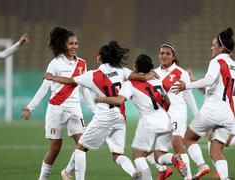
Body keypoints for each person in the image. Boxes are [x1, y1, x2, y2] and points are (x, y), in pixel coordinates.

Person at [43, 41, 157, 180]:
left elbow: (71, 81)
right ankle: (134, 173)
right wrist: (151, 74)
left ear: (99, 58)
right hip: (120, 117)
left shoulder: (93, 75)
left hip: (103, 117)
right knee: (117, 155)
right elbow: (141, 77)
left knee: (80, 149)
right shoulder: (121, 71)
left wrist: (52, 77)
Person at [95, 54, 188, 180]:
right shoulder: (157, 81)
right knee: (159, 156)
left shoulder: (130, 84)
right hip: (166, 121)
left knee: (138, 155)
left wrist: (102, 99)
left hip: (148, 123)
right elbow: (168, 102)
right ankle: (174, 158)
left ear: (135, 66)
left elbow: (119, 101)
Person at [22, 27, 95, 180]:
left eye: (76, 43)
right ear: (63, 45)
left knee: (83, 144)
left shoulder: (82, 63)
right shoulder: (55, 63)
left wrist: (94, 109)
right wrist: (30, 107)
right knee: (55, 148)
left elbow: (84, 89)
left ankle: (68, 172)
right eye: (71, 44)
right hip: (56, 109)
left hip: (75, 110)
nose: (74, 46)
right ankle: (42, 178)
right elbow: (44, 87)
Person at [175, 27, 235, 180]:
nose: (211, 47)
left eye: (214, 44)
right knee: (216, 152)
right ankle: (225, 179)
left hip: (212, 112)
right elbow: (233, 91)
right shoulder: (233, 65)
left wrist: (187, 85)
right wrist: (209, 89)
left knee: (188, 139)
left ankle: (202, 165)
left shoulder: (216, 61)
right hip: (228, 115)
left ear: (221, 47)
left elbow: (210, 80)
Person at [151, 43, 199, 180]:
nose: (164, 56)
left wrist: (197, 116)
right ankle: (174, 160)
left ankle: (188, 177)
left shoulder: (181, 73)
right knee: (158, 155)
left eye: (167, 53)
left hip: (177, 112)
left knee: (176, 142)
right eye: (162, 53)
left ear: (173, 56)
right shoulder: (154, 74)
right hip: (162, 117)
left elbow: (189, 95)